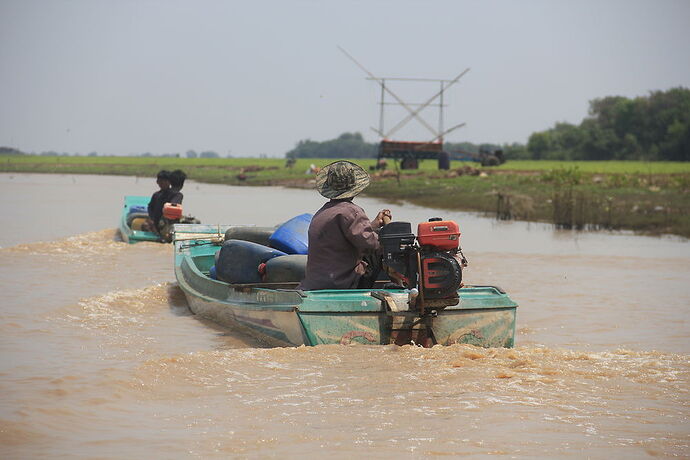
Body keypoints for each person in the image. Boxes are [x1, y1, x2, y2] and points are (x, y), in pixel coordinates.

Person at [298, 160, 391, 291]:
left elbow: (349, 234)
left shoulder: (323, 212)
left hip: (315, 282)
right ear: (354, 187)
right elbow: (372, 244)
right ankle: (399, 286)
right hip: (341, 283)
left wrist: (373, 225)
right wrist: (390, 241)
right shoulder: (352, 212)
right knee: (381, 252)